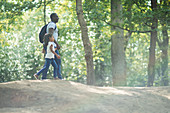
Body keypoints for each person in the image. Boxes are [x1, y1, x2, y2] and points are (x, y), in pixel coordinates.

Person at [42, 13, 62, 80]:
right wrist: (57, 44)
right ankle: (58, 77)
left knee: (49, 62)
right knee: (57, 61)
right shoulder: (52, 24)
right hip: (52, 46)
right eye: (56, 17)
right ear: (52, 17)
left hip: (50, 45)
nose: (58, 18)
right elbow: (50, 34)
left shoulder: (52, 24)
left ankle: (44, 77)